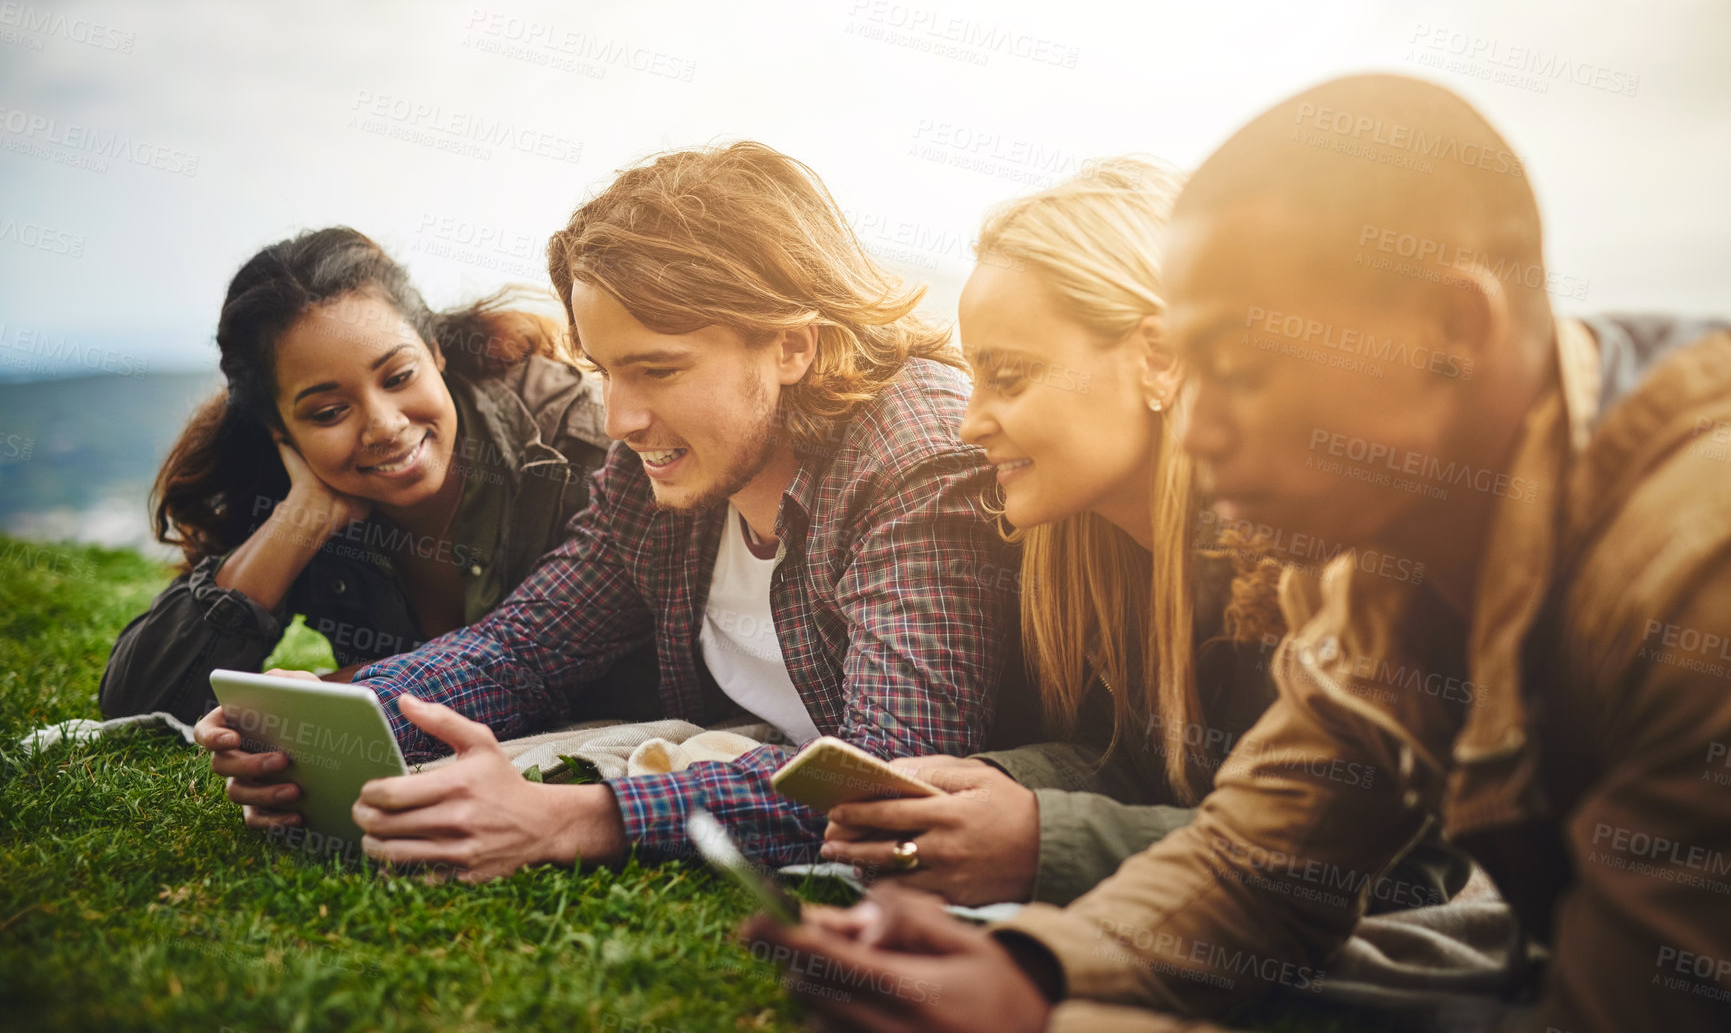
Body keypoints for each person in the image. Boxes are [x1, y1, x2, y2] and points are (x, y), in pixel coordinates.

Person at [743, 74, 1731, 1032]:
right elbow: (1264, 861)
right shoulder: (1393, 561)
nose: (1199, 428)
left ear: (1449, 328)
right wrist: (1032, 967)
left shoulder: (1698, 578)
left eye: (1242, 367)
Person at [192, 142, 1023, 879]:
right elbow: (526, 647)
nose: (619, 417)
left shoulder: (912, 462)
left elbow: (890, 767)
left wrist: (573, 820)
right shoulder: (659, 468)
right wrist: (336, 719)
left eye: (657, 370)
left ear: (792, 345)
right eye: (605, 370)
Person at [815, 158, 1463, 912]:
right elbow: (1135, 764)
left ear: (1159, 358)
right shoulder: (1080, 550)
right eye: (974, 376)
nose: (969, 422)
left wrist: (1044, 841)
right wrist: (999, 783)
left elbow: (1404, 868)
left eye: (1012, 376)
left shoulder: (1335, 554)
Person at [100, 228, 615, 725]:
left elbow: (547, 660)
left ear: (435, 350)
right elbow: (140, 702)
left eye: (398, 377)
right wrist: (301, 519)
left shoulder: (572, 441)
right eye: (328, 412)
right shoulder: (283, 488)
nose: (384, 427)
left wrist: (328, 696)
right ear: (278, 429)